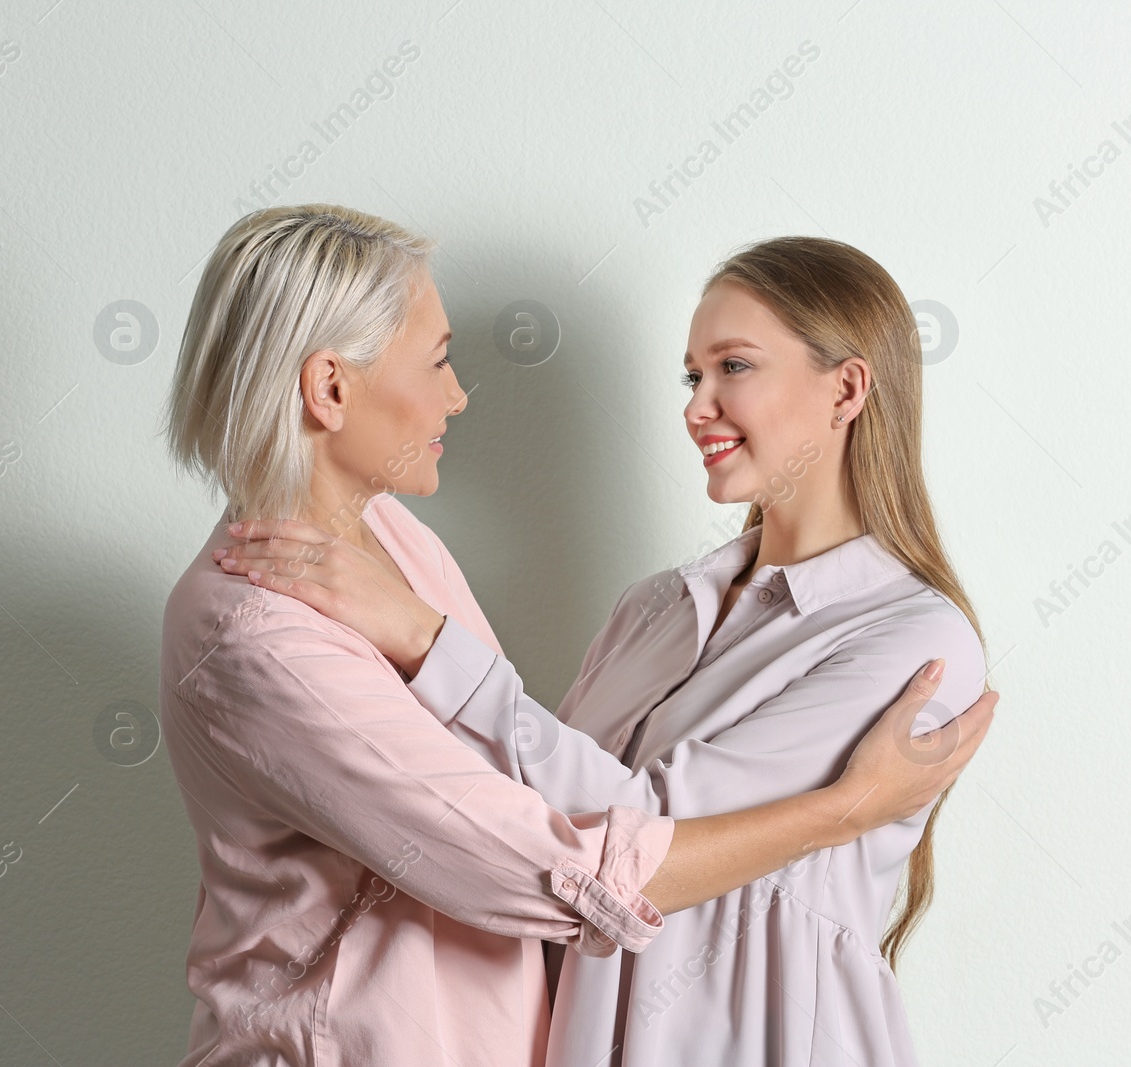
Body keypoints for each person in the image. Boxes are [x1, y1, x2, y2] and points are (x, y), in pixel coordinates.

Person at [160, 204, 997, 1067]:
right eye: (692, 375)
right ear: (331, 388)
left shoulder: (913, 642)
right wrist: (839, 810)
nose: (697, 407)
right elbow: (570, 849)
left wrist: (428, 639)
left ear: (848, 389)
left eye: (734, 367)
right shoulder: (649, 611)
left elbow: (623, 825)